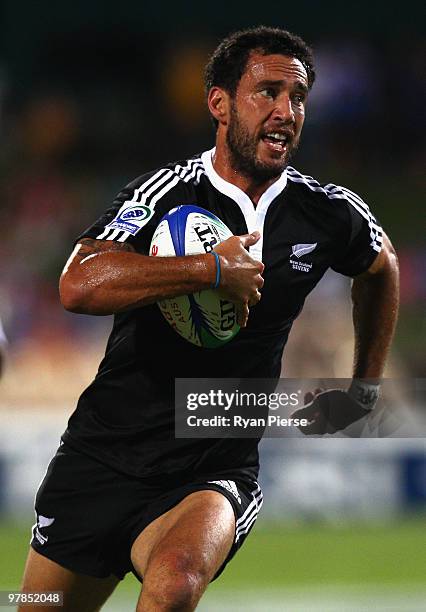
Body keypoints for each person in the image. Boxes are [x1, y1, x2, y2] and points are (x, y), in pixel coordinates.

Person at [20, 26, 399, 611]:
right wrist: (207, 272)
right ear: (219, 103)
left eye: (297, 98)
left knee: (175, 584)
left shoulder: (326, 212)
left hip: (213, 466)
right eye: (267, 92)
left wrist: (364, 389)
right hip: (102, 457)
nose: (286, 112)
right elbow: (77, 285)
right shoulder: (165, 193)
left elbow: (381, 269)